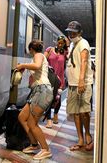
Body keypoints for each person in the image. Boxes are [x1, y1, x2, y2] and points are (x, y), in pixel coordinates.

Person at [16, 40, 53, 160]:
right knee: (22, 117)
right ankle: (34, 144)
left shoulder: (38, 55)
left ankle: (46, 149)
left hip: (43, 91)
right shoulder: (36, 58)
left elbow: (37, 66)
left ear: (31, 49)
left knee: (32, 123)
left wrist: (23, 65)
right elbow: (35, 75)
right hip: (37, 91)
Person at [65, 21, 94, 151]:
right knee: (76, 113)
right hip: (72, 83)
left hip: (82, 83)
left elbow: (83, 61)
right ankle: (80, 139)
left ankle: (88, 136)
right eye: (70, 32)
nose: (71, 34)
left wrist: (81, 80)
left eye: (74, 32)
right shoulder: (72, 44)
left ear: (80, 32)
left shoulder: (83, 43)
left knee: (84, 112)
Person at [44, 35, 68, 128]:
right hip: (49, 78)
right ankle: (49, 119)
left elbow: (69, 59)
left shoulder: (65, 52)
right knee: (48, 99)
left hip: (59, 79)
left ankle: (56, 114)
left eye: (62, 43)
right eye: (59, 42)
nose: (60, 44)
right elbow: (43, 59)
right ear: (56, 42)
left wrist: (68, 45)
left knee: (57, 99)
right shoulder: (49, 50)